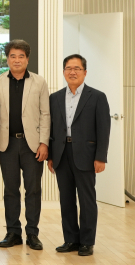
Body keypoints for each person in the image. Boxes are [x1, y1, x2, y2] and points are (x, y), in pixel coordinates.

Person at [0, 40, 50, 251]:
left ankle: (32, 233)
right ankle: (13, 232)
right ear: (7, 58)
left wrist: (44, 143)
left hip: (32, 145)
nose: (17, 60)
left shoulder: (39, 82)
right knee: (11, 190)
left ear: (27, 58)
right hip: (7, 144)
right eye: (13, 56)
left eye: (21, 56)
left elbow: (45, 114)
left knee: (33, 190)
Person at [48, 54, 110, 257]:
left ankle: (87, 242)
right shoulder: (55, 97)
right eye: (68, 68)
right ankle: (71, 240)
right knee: (66, 200)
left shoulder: (97, 96)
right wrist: (50, 155)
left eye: (76, 68)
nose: (72, 72)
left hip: (86, 155)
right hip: (61, 154)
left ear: (85, 72)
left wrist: (101, 156)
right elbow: (52, 129)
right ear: (64, 71)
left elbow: (103, 129)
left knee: (87, 200)